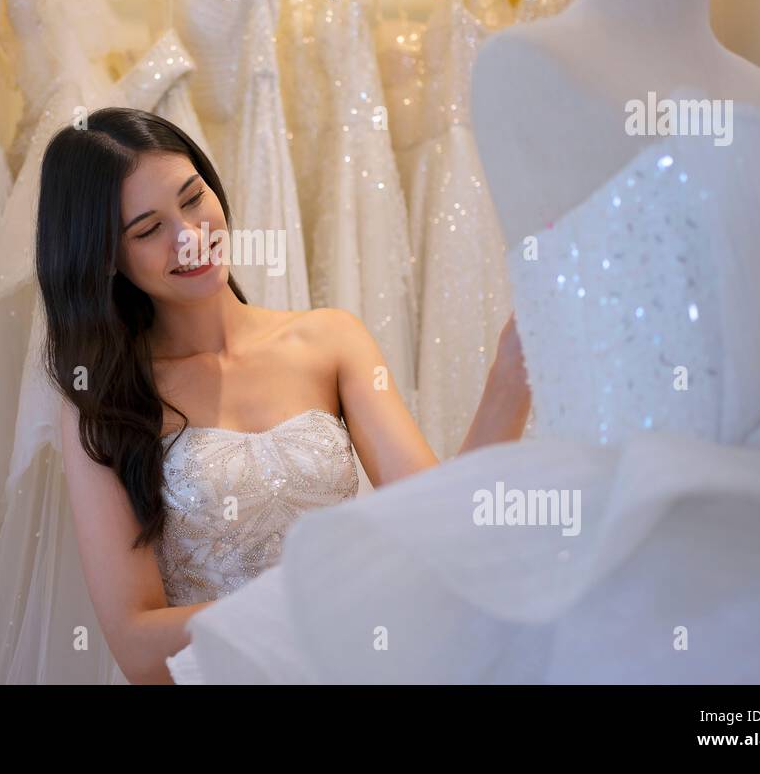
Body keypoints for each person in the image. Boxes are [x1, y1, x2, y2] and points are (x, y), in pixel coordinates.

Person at [34, 107, 531, 683]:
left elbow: (443, 526)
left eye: (194, 199)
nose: (191, 238)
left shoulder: (330, 340)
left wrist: (512, 376)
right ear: (107, 259)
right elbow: (137, 646)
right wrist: (313, 604)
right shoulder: (106, 402)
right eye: (148, 230)